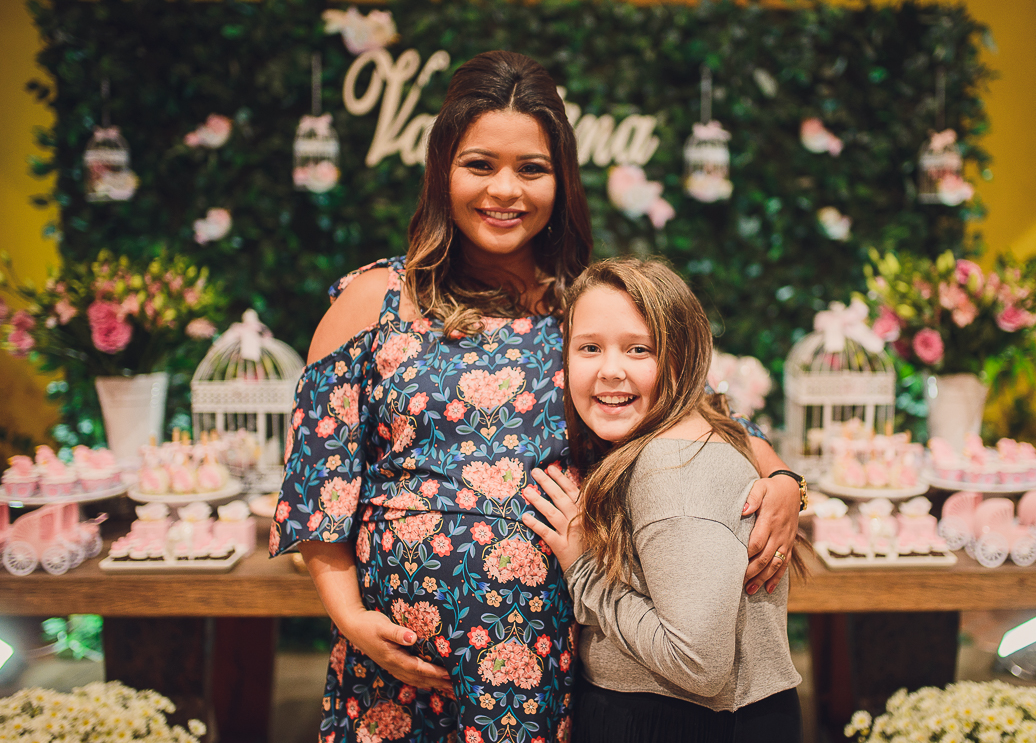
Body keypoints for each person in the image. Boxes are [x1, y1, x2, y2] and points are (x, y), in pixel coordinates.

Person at [269, 50, 804, 743]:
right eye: (480, 164)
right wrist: (348, 616)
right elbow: (320, 475)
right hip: (396, 666)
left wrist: (781, 475)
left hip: (544, 658)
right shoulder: (373, 300)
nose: (505, 190)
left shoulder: (586, 305)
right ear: (442, 171)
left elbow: (694, 407)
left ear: (562, 180)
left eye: (532, 169)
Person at [522, 257, 806, 743]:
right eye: (589, 348)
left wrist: (583, 569)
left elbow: (697, 663)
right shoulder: (695, 431)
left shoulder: (672, 469)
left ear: (682, 358)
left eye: (639, 350)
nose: (610, 371)